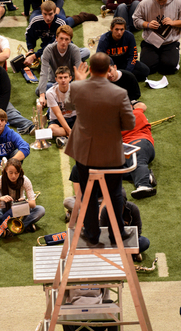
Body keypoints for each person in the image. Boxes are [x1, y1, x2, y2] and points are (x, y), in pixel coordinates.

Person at [64, 52, 135, 245]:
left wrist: (79, 81)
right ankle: (116, 234)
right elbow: (129, 123)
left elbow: (67, 105)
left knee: (88, 193)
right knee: (114, 194)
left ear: (91, 69)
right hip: (110, 154)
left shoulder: (77, 87)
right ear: (107, 70)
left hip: (84, 153)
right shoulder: (119, 93)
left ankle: (92, 234)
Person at [0, 158, 45, 249]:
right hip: (4, 211)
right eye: (10, 172)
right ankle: (25, 226)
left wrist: (25, 201)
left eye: (16, 173)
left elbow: (33, 204)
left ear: (20, 172)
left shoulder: (25, 180)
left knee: (40, 210)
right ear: (6, 171)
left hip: (20, 210)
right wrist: (0, 199)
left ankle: (8, 230)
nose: (13, 176)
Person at [24, 0, 97, 67]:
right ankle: (73, 64)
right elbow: (29, 35)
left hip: (65, 49)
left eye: (50, 14)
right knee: (43, 58)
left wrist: (34, 56)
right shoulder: (36, 20)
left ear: (55, 12)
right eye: (45, 14)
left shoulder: (61, 22)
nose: (48, 18)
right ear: (41, 12)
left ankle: (61, 64)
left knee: (86, 52)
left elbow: (54, 44)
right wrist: (31, 50)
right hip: (51, 52)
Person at [132, 0, 181, 75]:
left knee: (169, 67)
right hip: (150, 42)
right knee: (148, 68)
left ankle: (171, 54)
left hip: (169, 42)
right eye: (158, 1)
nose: (161, 4)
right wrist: (148, 24)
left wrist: (173, 22)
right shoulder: (145, 3)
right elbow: (136, 19)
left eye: (163, 2)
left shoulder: (178, 2)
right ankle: (149, 53)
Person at [37, 25, 88, 105]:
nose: (63, 42)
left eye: (67, 39)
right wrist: (42, 95)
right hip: (55, 81)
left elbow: (78, 73)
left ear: (70, 40)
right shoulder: (49, 50)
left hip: (69, 81)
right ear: (56, 38)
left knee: (86, 51)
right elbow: (44, 73)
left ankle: (56, 99)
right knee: (39, 90)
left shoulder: (74, 49)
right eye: (61, 38)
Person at [100, 188, 150, 262]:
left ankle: (119, 255)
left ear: (124, 204)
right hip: (112, 241)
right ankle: (130, 254)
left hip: (128, 240)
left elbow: (137, 232)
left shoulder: (133, 209)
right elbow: (103, 233)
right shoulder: (105, 211)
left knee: (144, 242)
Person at [121, 102, 157, 199]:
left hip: (139, 142)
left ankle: (144, 185)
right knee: (109, 168)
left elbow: (141, 105)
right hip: (124, 148)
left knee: (136, 159)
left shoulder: (136, 114)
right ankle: (146, 176)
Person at [97, 17, 150, 82]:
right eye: (116, 29)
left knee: (145, 71)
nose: (119, 32)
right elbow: (100, 58)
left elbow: (133, 56)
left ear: (125, 29)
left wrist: (127, 72)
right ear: (111, 29)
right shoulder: (104, 39)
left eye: (122, 29)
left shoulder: (129, 36)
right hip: (110, 65)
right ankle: (118, 78)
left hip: (124, 63)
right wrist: (111, 71)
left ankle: (117, 78)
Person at [46, 66, 76, 148]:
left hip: (73, 118)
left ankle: (64, 137)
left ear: (70, 78)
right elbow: (58, 114)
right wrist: (69, 131)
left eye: (65, 77)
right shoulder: (50, 93)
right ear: (56, 79)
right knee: (51, 129)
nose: (63, 80)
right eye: (60, 78)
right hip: (57, 120)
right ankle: (75, 134)